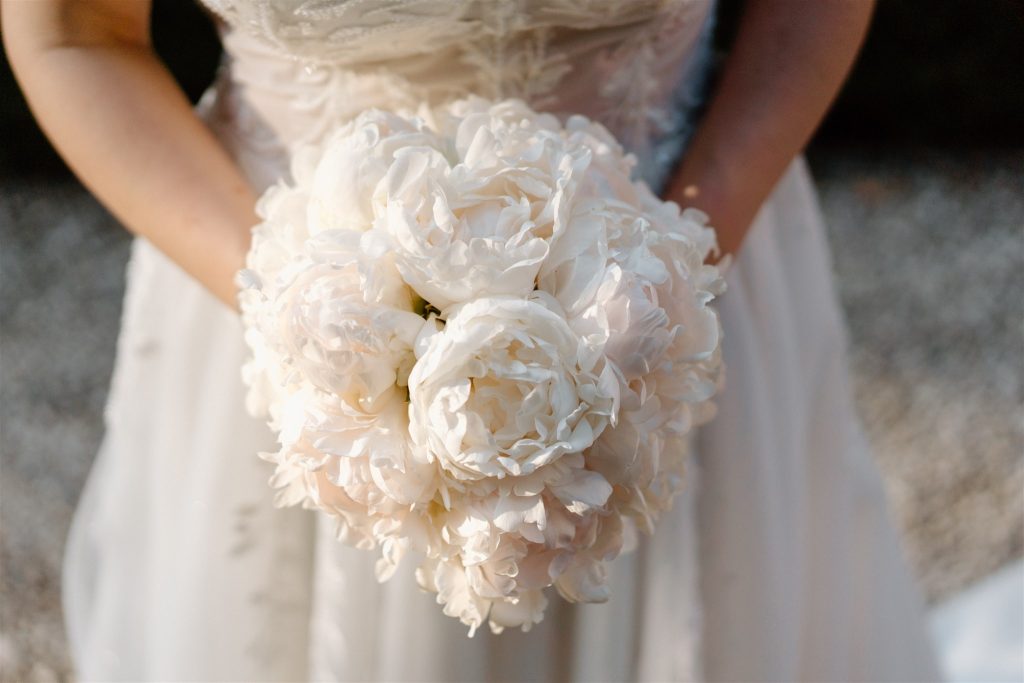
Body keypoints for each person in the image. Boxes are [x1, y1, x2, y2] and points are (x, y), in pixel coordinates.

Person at [4, 0, 942, 680]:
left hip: (676, 274)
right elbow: (72, 30)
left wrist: (678, 265)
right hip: (277, 310)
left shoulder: (675, 274)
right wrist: (302, 311)